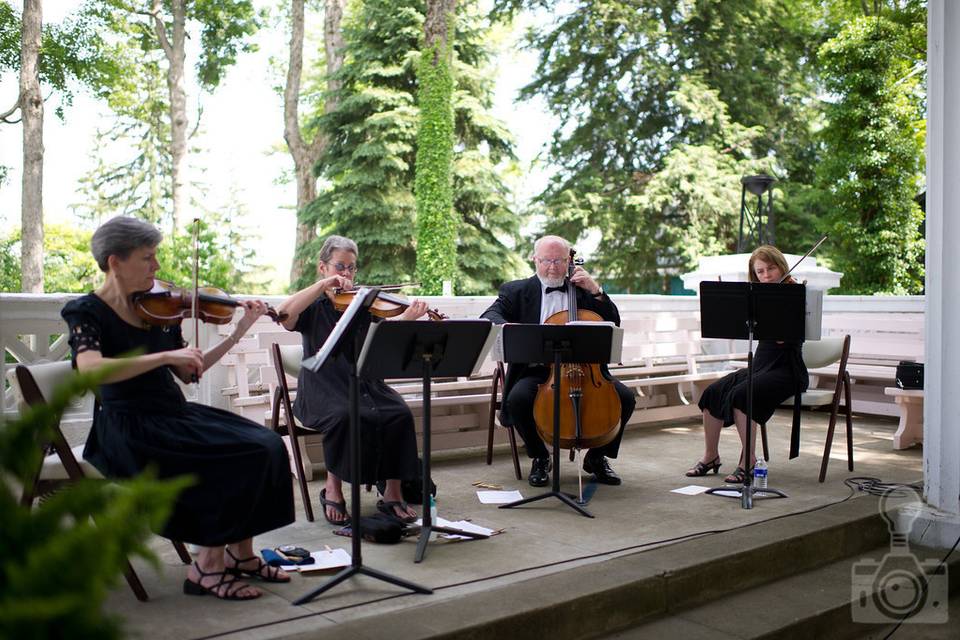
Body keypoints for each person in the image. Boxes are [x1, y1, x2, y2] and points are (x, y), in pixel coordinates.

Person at [61, 216, 295, 601]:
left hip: (174, 414)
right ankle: (206, 568)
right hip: (128, 428)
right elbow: (90, 368)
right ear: (115, 262)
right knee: (225, 458)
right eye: (147, 257)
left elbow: (191, 370)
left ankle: (242, 555)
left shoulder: (158, 310)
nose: (156, 267)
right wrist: (165, 355)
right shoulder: (86, 312)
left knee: (265, 443)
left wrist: (239, 330)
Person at [277, 236, 426, 525]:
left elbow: (381, 340)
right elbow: (284, 314)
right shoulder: (313, 305)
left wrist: (406, 318)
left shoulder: (362, 304)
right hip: (323, 385)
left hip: (366, 381)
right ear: (323, 267)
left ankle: (392, 493)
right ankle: (333, 488)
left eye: (352, 268)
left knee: (399, 412)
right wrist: (323, 286)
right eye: (339, 266)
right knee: (345, 415)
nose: (346, 274)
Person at [481, 235, 636, 487]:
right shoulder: (515, 290)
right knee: (518, 399)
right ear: (535, 260)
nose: (552, 267)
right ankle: (540, 457)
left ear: (569, 261)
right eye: (546, 261)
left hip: (587, 372)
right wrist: (510, 327)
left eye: (559, 261)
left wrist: (596, 290)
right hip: (538, 371)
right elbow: (490, 315)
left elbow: (613, 320)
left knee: (626, 398)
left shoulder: (584, 290)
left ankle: (597, 458)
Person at [686, 245, 809, 483]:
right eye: (760, 272)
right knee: (712, 392)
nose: (766, 276)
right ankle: (711, 456)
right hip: (760, 366)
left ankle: (748, 462)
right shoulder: (757, 296)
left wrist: (777, 308)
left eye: (771, 269)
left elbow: (786, 337)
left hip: (787, 369)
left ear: (781, 267)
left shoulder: (796, 294)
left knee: (743, 394)